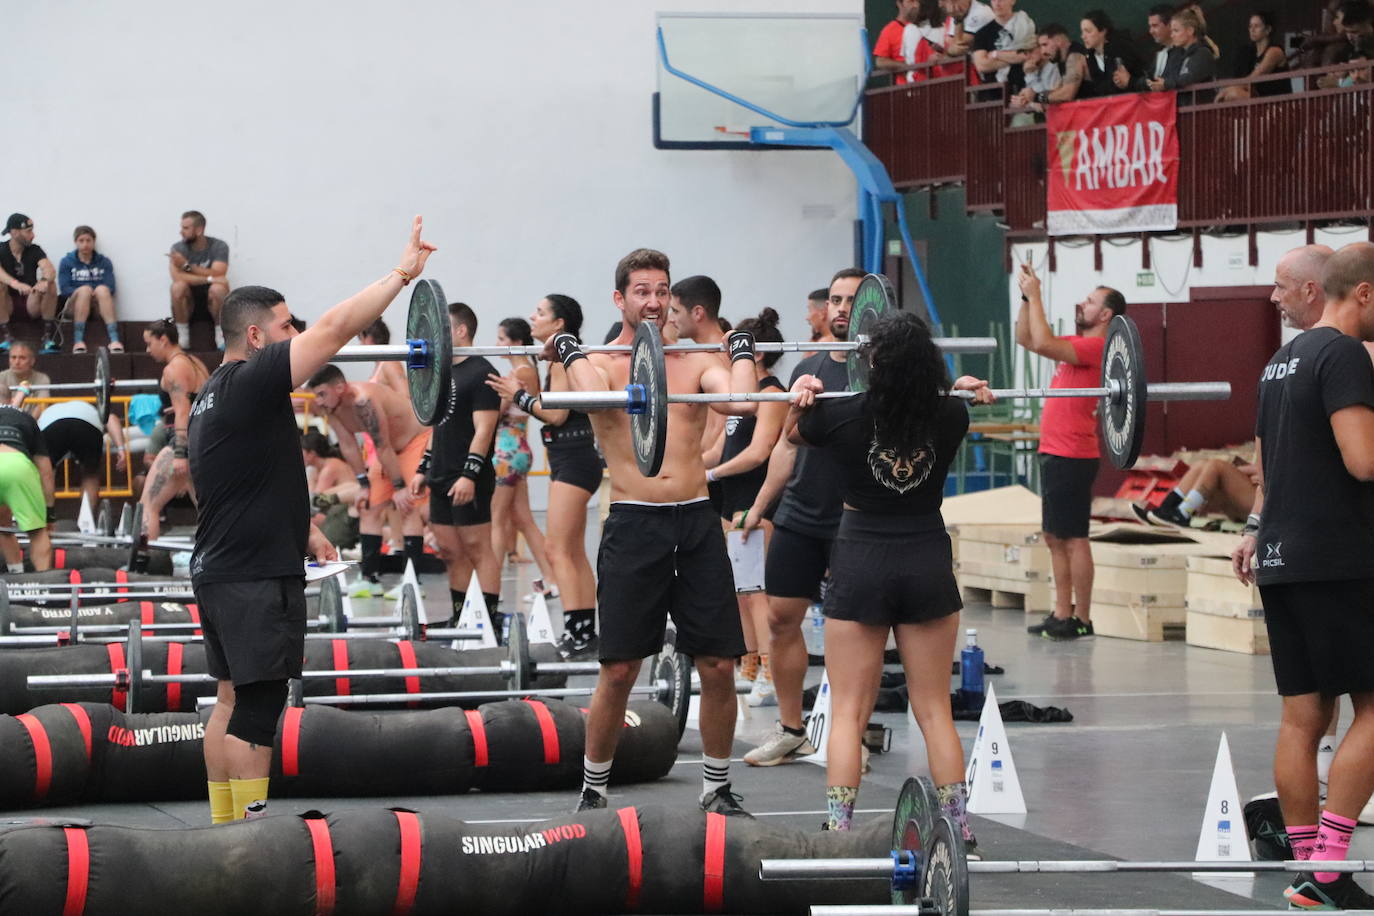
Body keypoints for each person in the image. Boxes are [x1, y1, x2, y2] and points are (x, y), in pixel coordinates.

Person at [191, 216, 433, 824]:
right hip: (250, 578)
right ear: (255, 335)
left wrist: (304, 529)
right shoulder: (252, 378)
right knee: (258, 709)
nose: (295, 332)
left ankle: (228, 834)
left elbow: (241, 482)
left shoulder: (215, 393)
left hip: (224, 569)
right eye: (284, 325)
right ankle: (253, 843)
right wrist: (402, 274)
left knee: (231, 701)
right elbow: (333, 330)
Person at [565, 247, 758, 816]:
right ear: (620, 298)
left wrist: (740, 349)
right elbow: (582, 394)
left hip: (696, 519)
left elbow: (741, 400)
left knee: (719, 664)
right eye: (642, 291)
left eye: (662, 291)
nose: (654, 301)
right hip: (633, 522)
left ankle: (717, 790)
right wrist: (568, 347)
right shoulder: (601, 362)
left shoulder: (696, 360)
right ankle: (594, 791)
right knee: (620, 668)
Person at [788, 310, 993, 837]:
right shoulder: (952, 416)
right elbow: (946, 401)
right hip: (925, 556)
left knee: (849, 710)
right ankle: (959, 831)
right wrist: (960, 390)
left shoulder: (841, 414)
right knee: (933, 710)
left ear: (872, 362)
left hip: (861, 559)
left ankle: (840, 830)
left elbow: (794, 439)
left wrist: (803, 394)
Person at [1231, 242, 1374, 911]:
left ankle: (1306, 867)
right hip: (1339, 558)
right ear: (1362, 293)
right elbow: (1363, 461)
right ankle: (1329, 868)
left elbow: (1268, 463)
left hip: (1284, 558)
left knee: (1302, 717)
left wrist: (1256, 529)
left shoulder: (1276, 364)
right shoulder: (1342, 353)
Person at [741, 268, 863, 767]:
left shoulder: (882, 369)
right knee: (779, 617)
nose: (838, 308)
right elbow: (787, 445)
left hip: (855, 518)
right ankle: (793, 730)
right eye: (833, 299)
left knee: (854, 629)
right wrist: (761, 505)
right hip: (799, 513)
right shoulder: (808, 367)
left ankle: (853, 732)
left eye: (850, 301)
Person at [1140, 245, 1337, 530]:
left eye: (1279, 287)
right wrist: (1254, 529)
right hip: (1290, 519)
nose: (1273, 297)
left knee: (1217, 469)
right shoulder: (1284, 361)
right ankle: (1173, 509)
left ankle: (1179, 513)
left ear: (1310, 291)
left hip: (1315, 520)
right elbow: (1271, 455)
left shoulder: (1346, 353)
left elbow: (1360, 461)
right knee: (1213, 466)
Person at [1016, 265, 1127, 641]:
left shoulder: (1098, 346)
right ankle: (1061, 613)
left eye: (1090, 301)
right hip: (1055, 452)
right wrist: (1025, 297)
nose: (1082, 304)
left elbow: (1043, 341)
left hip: (1073, 456)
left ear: (1106, 315)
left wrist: (1038, 296)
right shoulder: (1077, 347)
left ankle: (1081, 617)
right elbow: (1027, 339)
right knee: (1054, 536)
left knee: (1074, 536)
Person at [491, 294, 601, 659]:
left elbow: (556, 415)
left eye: (540, 313)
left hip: (574, 459)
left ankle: (576, 632)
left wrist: (519, 397)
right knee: (571, 551)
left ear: (558, 325)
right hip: (569, 459)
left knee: (557, 550)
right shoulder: (556, 360)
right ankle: (585, 631)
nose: (532, 317)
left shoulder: (562, 363)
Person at [703, 308, 787, 708]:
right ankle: (749, 664)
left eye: (732, 351)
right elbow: (719, 448)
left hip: (756, 502)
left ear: (754, 356)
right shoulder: (743, 400)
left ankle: (771, 672)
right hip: (732, 502)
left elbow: (760, 451)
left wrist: (715, 475)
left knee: (757, 592)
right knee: (739, 589)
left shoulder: (771, 394)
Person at [408, 302, 503, 630]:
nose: (435, 335)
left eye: (443, 328)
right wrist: (423, 468)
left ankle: (488, 622)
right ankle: (460, 618)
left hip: (468, 478)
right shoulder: (442, 372)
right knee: (450, 551)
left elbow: (484, 430)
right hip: (440, 476)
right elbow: (439, 424)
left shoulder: (483, 373)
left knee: (478, 548)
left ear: (461, 330)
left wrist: (469, 475)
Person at [307, 363, 429, 596]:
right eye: (316, 396)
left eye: (322, 394)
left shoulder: (364, 401)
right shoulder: (330, 408)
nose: (319, 401)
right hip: (388, 451)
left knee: (406, 507)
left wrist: (400, 486)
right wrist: (363, 483)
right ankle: (369, 579)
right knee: (368, 507)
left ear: (340, 387)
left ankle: (412, 582)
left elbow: (381, 445)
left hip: (414, 441)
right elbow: (348, 444)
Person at [485, 317, 555, 591]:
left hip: (508, 450)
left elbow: (498, 411)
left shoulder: (522, 373)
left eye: (502, 339)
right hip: (514, 449)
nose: (497, 344)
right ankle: (551, 577)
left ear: (516, 342)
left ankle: (490, 584)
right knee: (523, 519)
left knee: (496, 518)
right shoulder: (520, 372)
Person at [139, 320, 209, 541]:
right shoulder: (195, 362)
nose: (148, 350)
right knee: (209, 512)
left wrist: (180, 454)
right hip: (205, 440)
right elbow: (197, 402)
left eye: (149, 344)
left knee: (147, 506)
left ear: (163, 339)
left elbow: (182, 412)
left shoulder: (173, 369)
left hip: (185, 444)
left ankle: (145, 566)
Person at [669, 276, 731, 521]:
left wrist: (697, 466)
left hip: (716, 478)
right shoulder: (694, 355)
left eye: (675, 311)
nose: (671, 318)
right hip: (700, 471)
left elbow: (727, 425)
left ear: (697, 312)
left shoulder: (721, 356)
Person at [34, 397, 126, 518]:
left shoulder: (48, 411)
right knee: (90, 474)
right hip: (86, 424)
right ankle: (86, 519)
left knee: (46, 473)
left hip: (51, 426)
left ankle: (46, 517)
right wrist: (121, 448)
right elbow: (111, 418)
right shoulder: (93, 409)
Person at [0, 398, 55, 571]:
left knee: (3, 526)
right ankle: (43, 589)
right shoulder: (25, 417)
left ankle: (16, 574)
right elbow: (46, 471)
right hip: (17, 465)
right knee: (38, 533)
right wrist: (49, 515)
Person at [168, 211, 230, 350]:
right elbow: (177, 277)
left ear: (199, 230)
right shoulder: (177, 248)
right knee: (178, 287)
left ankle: (221, 336)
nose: (181, 232)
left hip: (213, 303)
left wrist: (186, 266)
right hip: (188, 302)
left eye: (186, 228)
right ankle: (182, 337)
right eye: (181, 227)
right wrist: (209, 278)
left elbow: (220, 272)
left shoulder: (219, 246)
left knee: (218, 289)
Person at [0, 214, 60, 354]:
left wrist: (44, 281)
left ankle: (47, 339)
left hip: (31, 303)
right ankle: (6, 338)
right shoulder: (2, 249)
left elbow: (49, 269)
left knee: (51, 284)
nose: (33, 235)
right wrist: (15, 283)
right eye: (28, 231)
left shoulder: (34, 250)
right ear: (14, 233)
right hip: (7, 305)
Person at [58, 226, 122, 354]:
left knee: (103, 290)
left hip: (98, 306)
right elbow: (64, 289)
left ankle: (115, 340)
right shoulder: (67, 262)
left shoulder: (104, 261)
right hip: (74, 306)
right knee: (85, 290)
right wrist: (85, 291)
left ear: (94, 242)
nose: (85, 244)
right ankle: (78, 341)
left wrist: (95, 292)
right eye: (81, 241)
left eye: (88, 240)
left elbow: (111, 287)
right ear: (76, 242)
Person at [302, 431, 361, 552]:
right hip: (333, 507)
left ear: (311, 453)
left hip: (343, 509)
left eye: (301, 451)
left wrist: (312, 480)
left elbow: (315, 503)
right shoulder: (317, 468)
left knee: (310, 519)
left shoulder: (330, 467)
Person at [1215, 11, 1290, 101]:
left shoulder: (1275, 51)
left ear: (1268, 29)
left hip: (1277, 103)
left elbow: (1253, 79)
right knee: (1230, 94)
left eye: (1257, 26)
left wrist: (1225, 90)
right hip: (1261, 101)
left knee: (1233, 94)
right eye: (1250, 26)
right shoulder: (1251, 54)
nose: (1252, 29)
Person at [1147, 8, 1217, 97]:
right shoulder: (1178, 55)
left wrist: (1166, 84)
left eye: (1176, 30)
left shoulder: (1202, 53)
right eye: (1172, 31)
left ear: (1190, 31)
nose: (1172, 35)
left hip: (1199, 108)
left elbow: (1188, 78)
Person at [970, 0, 1035, 86]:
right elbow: (982, 66)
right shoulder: (982, 34)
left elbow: (1030, 55)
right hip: (993, 92)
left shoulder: (1026, 25)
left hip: (1023, 88)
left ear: (1012, 1)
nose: (997, 3)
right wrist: (1016, 58)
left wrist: (996, 54)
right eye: (994, 0)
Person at [1078, 9, 1138, 98]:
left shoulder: (1120, 49)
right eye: (1082, 32)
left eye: (1088, 31)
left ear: (1103, 31)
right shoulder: (1090, 56)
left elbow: (1118, 85)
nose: (1083, 36)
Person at [874, 0, 935, 84]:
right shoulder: (889, 31)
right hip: (907, 87)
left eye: (918, 1)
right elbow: (880, 61)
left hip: (934, 84)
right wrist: (906, 66)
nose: (916, 5)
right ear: (899, 4)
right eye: (911, 1)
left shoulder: (930, 25)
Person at [1124, 5, 1180, 91]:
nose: (1151, 31)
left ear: (1170, 25)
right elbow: (1150, 80)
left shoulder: (1182, 51)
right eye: (1150, 26)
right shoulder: (1160, 53)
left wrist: (1130, 81)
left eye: (1155, 26)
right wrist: (1130, 81)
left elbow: (1167, 81)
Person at [1034, 24, 1089, 103]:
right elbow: (1059, 90)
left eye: (1045, 45)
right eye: (1040, 47)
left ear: (1058, 40)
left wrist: (1037, 98)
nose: (1042, 52)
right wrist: (1032, 96)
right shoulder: (1062, 60)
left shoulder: (1074, 57)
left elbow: (1067, 94)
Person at [0, 341, 52, 418]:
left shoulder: (42, 379)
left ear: (32, 361)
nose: (17, 362)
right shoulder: (1, 377)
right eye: (13, 357)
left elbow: (41, 405)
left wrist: (30, 425)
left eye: (22, 358)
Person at [359, 318, 409, 396]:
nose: (360, 344)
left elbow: (406, 397)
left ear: (369, 338)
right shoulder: (380, 366)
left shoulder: (389, 364)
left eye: (361, 339)